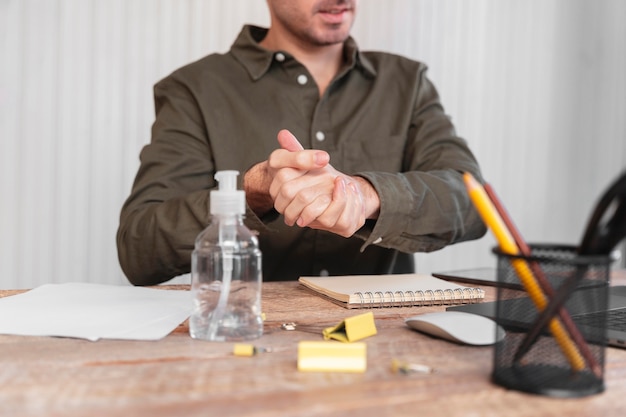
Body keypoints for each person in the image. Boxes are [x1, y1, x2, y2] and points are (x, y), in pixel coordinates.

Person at [116, 0, 487, 286]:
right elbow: (139, 248)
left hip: (384, 346)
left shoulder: (407, 82)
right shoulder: (194, 90)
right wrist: (253, 193)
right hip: (247, 346)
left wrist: (367, 193)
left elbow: (475, 202)